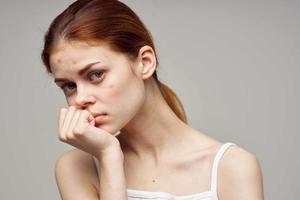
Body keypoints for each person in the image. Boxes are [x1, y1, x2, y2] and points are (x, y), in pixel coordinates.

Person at [41, 0, 264, 199]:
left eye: (96, 74)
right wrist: (109, 156)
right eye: (69, 86)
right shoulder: (77, 167)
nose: (81, 99)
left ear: (145, 62)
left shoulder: (232, 167)